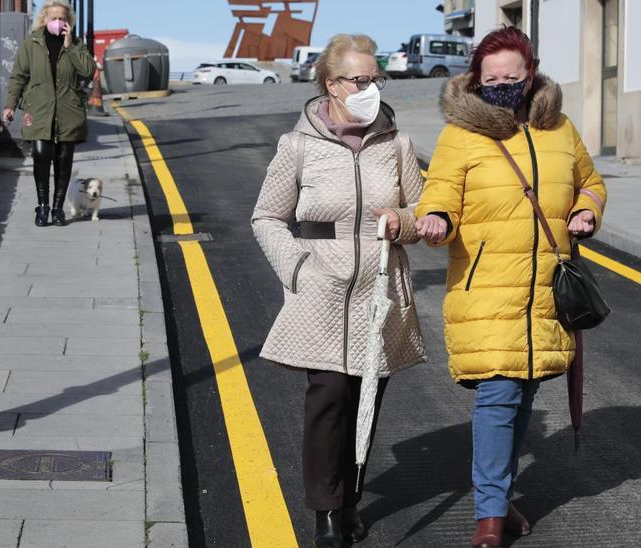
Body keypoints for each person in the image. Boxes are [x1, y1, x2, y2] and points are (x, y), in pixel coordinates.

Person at [413, 26, 608, 548]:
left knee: (523, 394)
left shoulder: (560, 128)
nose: (500, 84)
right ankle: (490, 520)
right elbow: (440, 194)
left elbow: (590, 181)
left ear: (531, 73)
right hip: (489, 288)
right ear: (477, 79)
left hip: (545, 290)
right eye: (490, 77)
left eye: (511, 77)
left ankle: (499, 499)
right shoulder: (462, 135)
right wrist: (433, 219)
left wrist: (587, 210)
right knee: (498, 397)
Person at [251, 34, 426, 548]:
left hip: (380, 293)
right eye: (359, 79)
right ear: (331, 83)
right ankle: (327, 513)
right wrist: (297, 269)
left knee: (365, 398)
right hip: (320, 288)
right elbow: (266, 217)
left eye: (375, 79)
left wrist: (404, 223)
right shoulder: (297, 145)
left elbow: (427, 211)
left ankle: (351, 498)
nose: (369, 87)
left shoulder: (397, 145)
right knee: (328, 398)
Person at [2, 0, 96, 227]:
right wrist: (10, 105)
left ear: (68, 21)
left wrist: (70, 46)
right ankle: (42, 206)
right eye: (54, 18)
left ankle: (58, 209)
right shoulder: (31, 44)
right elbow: (18, 77)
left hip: (68, 111)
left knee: (64, 160)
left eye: (62, 18)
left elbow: (88, 70)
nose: (58, 22)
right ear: (44, 19)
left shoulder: (75, 44)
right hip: (39, 109)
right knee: (42, 156)